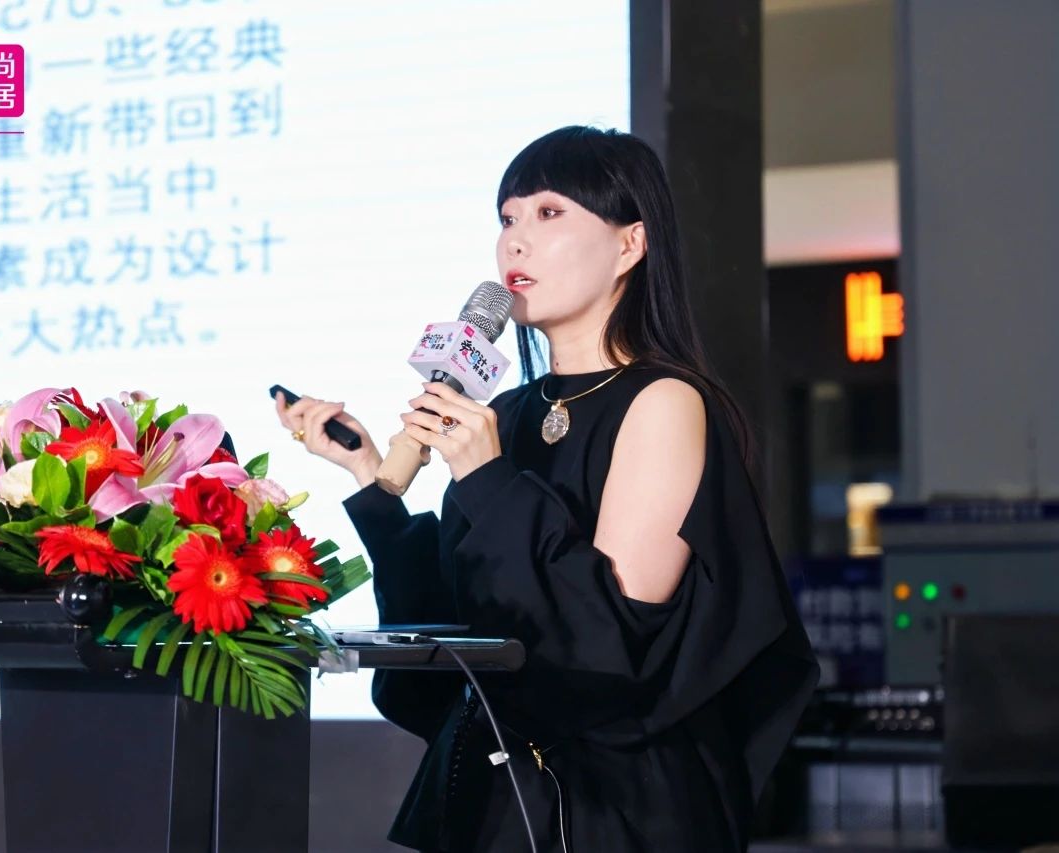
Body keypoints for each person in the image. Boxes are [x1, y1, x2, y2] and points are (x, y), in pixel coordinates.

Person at [274, 125, 818, 852]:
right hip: (497, 786)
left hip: (612, 804)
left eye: (549, 213)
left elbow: (612, 638)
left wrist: (488, 476)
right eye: (508, 218)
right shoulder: (507, 412)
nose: (515, 242)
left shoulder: (663, 401)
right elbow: (463, 621)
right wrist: (371, 476)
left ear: (630, 244)